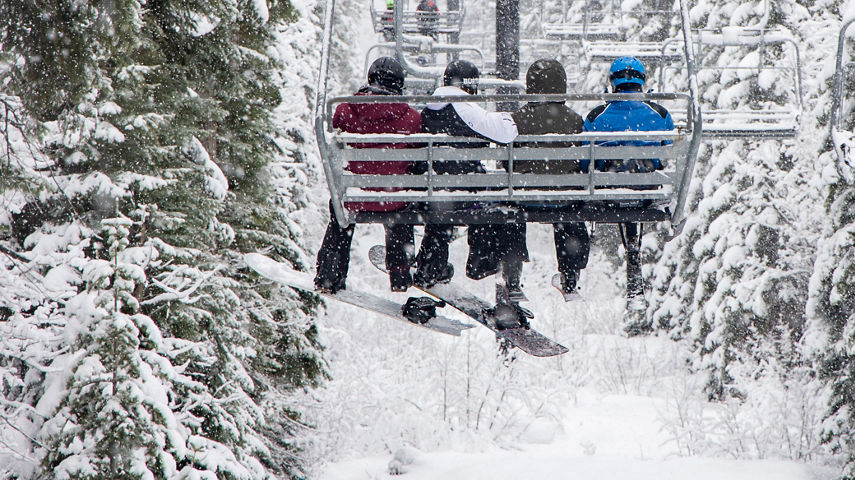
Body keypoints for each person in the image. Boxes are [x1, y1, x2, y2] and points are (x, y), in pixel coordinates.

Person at [314, 57, 421, 293]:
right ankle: (400, 272)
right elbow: (416, 159)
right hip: (394, 199)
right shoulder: (412, 118)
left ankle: (330, 274)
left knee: (339, 210)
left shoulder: (344, 110)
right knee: (403, 210)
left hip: (356, 197)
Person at [414, 59, 519, 288]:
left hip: (436, 194)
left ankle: (431, 264)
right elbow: (506, 133)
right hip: (467, 195)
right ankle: (480, 260)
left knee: (442, 201)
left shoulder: (429, 109)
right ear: (471, 84)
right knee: (489, 196)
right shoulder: (466, 108)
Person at [583, 56, 674, 308]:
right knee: (636, 193)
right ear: (641, 82)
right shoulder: (660, 114)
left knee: (621, 191)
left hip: (610, 193)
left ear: (613, 84)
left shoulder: (596, 116)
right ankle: (634, 259)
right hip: (646, 192)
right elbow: (666, 153)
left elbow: (584, 160)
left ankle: (632, 259)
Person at [496, 59, 591, 301]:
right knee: (570, 214)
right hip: (563, 199)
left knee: (510, 211)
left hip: (525, 198)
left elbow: (506, 161)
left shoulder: (517, 119)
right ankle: (570, 279)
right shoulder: (576, 121)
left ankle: (513, 278)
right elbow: (582, 160)